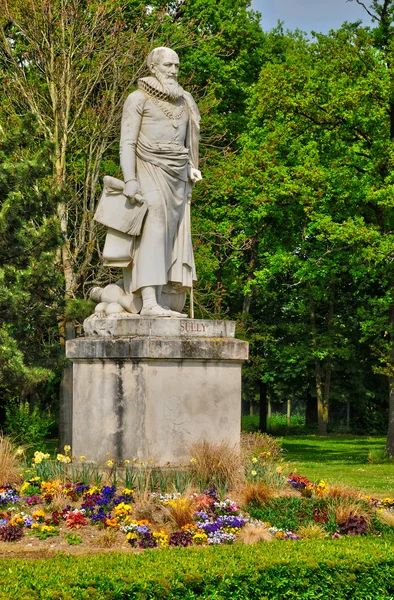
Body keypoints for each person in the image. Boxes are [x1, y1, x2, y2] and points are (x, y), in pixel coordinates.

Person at [119, 46, 202, 317]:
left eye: (177, 66)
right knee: (154, 228)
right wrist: (130, 180)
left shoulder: (185, 99)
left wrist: (191, 167)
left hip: (178, 175)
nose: (174, 71)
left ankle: (162, 297)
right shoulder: (137, 98)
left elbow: (188, 141)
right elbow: (128, 142)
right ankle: (149, 301)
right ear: (153, 67)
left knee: (171, 236)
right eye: (168, 65)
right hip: (148, 167)